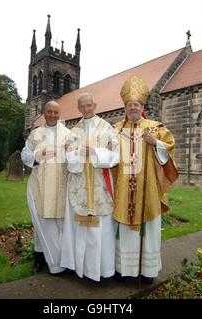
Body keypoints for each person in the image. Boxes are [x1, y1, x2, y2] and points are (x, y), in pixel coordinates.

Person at [113, 75, 179, 284]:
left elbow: (169, 148)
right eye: (129, 104)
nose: (133, 108)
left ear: (142, 106)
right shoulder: (115, 130)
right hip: (123, 189)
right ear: (125, 107)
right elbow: (106, 155)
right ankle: (125, 270)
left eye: (137, 104)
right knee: (124, 231)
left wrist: (156, 143)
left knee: (149, 230)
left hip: (148, 189)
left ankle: (148, 271)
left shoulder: (155, 128)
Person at [60, 92, 119, 282]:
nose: (86, 109)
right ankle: (80, 268)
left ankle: (103, 270)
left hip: (100, 185)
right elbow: (67, 159)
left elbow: (115, 155)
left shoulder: (107, 128)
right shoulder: (73, 132)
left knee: (101, 229)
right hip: (79, 187)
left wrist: (95, 153)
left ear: (95, 105)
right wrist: (78, 153)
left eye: (89, 105)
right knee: (80, 228)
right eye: (82, 106)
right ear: (79, 108)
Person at [21, 101, 72, 274]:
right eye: (49, 112)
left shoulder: (68, 134)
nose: (52, 115)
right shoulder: (36, 134)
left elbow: (74, 157)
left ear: (59, 113)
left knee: (60, 224)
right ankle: (39, 258)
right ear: (44, 113)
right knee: (41, 222)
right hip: (40, 186)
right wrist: (37, 155)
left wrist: (70, 151)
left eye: (55, 112)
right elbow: (25, 154)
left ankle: (61, 260)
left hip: (61, 185)